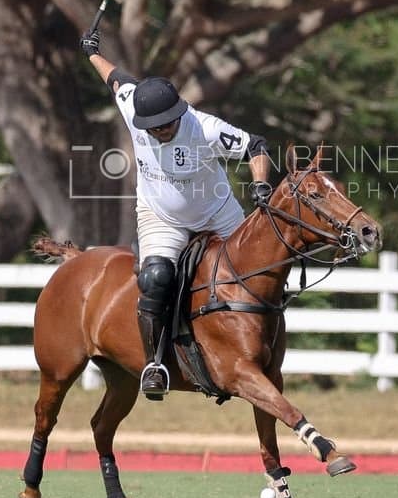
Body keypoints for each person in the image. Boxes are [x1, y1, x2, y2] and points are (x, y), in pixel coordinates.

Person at [81, 29, 272, 400]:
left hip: (218, 213)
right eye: (155, 126)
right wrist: (92, 52)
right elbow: (117, 78)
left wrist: (261, 185)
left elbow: (256, 146)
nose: (162, 129)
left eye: (168, 122)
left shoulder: (204, 128)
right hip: (161, 217)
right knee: (155, 277)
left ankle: (266, 346)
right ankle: (155, 363)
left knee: (257, 267)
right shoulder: (132, 103)